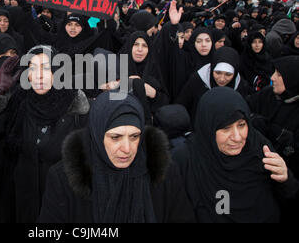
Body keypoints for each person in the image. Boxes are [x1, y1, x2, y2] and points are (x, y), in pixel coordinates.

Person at [38, 90, 195, 223]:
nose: (127, 149)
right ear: (97, 135)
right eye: (115, 137)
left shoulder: (162, 172)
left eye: (134, 137)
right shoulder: (65, 178)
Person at [0, 46, 90, 223]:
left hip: (59, 206)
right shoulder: (20, 101)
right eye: (32, 68)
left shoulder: (74, 108)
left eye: (45, 67)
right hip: (22, 201)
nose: (39, 75)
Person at [173, 87, 299, 223]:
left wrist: (285, 180)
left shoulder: (259, 147)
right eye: (226, 128)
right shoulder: (186, 160)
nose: (237, 137)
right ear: (208, 128)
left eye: (241, 125)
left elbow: (289, 200)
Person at [176, 46, 251, 122]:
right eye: (218, 73)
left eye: (228, 74)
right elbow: (182, 104)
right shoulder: (197, 80)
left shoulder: (241, 85)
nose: (222, 79)